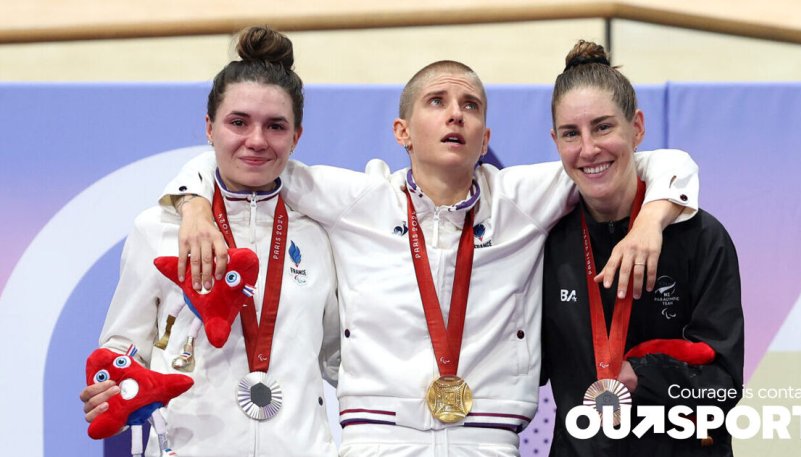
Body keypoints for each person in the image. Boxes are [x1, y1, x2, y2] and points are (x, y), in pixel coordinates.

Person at [162, 59, 699, 456]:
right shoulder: (359, 200)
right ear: (402, 132)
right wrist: (193, 208)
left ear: (485, 136)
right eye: (437, 102)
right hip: (378, 440)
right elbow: (251, 160)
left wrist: (651, 220)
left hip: (488, 440)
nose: (455, 116)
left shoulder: (521, 200)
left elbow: (654, 159)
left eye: (470, 106)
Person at [79, 26, 340, 457]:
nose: (256, 140)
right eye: (238, 122)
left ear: (296, 138)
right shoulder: (158, 228)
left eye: (275, 126)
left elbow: (338, 356)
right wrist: (108, 387)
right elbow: (122, 345)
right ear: (209, 128)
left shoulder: (321, 230)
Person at [541, 40, 743, 456]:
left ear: (637, 127)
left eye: (602, 126)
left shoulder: (701, 238)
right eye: (570, 134)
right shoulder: (548, 242)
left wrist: (640, 376)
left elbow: (724, 386)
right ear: (555, 141)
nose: (589, 148)